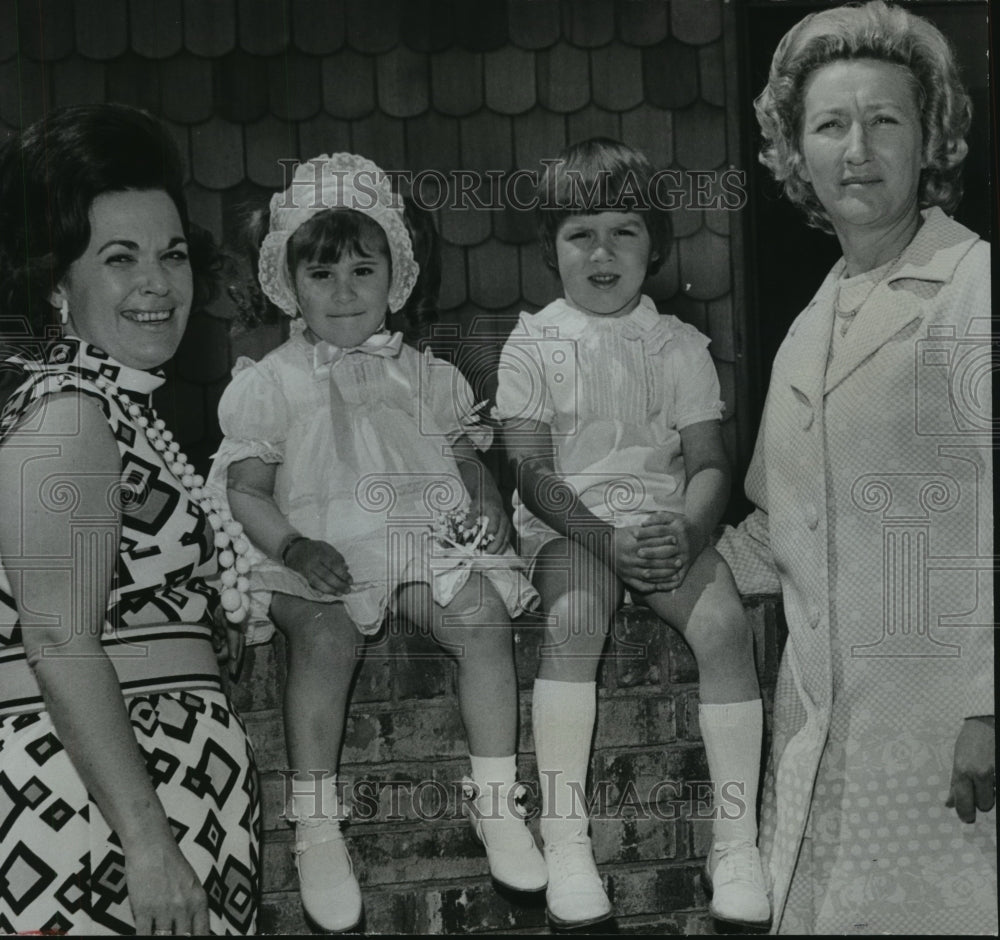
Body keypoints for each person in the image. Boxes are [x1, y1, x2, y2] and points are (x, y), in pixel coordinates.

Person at [207, 153, 546, 932]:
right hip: (319, 550)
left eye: (364, 270)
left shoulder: (425, 377)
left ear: (396, 277)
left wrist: (489, 500)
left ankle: (497, 799)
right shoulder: (273, 381)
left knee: (482, 617)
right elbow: (246, 489)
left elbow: (465, 457)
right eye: (322, 275)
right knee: (325, 639)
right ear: (289, 284)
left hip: (418, 544)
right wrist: (292, 548)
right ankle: (317, 824)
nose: (345, 291)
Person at [716, 1, 996, 932]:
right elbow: (778, 528)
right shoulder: (808, 326)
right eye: (830, 125)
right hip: (829, 736)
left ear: (932, 140)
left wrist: (990, 707)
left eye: (886, 120)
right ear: (795, 154)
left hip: (952, 744)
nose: (857, 148)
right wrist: (654, 554)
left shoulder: (975, 287)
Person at [495, 138, 771, 929]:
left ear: (656, 248)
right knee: (576, 620)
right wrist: (599, 539)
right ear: (553, 251)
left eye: (624, 231)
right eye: (581, 233)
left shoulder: (678, 345)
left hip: (660, 522)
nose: (603, 251)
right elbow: (529, 469)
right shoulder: (534, 343)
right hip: (569, 524)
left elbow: (712, 459)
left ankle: (736, 843)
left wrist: (689, 526)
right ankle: (568, 839)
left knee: (722, 627)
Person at [0, 104, 260, 935]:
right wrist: (148, 844)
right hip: (92, 824)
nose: (158, 283)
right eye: (120, 259)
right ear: (56, 280)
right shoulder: (66, 415)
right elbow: (58, 639)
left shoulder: (122, 409)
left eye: (172, 254)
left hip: (174, 801)